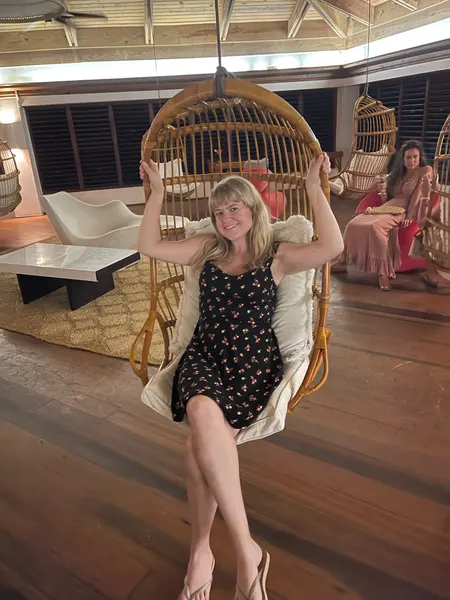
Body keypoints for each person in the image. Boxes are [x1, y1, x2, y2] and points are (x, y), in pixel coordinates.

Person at [138, 153, 343, 600]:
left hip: (252, 364)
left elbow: (332, 247)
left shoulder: (277, 257)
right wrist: (157, 194)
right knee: (199, 408)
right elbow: (149, 246)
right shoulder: (207, 249)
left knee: (198, 452)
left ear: (253, 208)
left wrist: (313, 187)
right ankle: (247, 551)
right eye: (218, 211)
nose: (226, 218)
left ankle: (201, 554)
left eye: (234, 207)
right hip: (205, 357)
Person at [332, 140, 433, 290]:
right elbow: (387, 198)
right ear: (403, 159)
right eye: (408, 157)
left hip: (401, 211)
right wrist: (383, 192)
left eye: (415, 157)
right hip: (385, 207)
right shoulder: (397, 174)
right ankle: (343, 261)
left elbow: (417, 197)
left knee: (375, 227)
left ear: (420, 158)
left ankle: (382, 272)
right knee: (353, 223)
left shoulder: (425, 171)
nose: (411, 161)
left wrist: (410, 216)